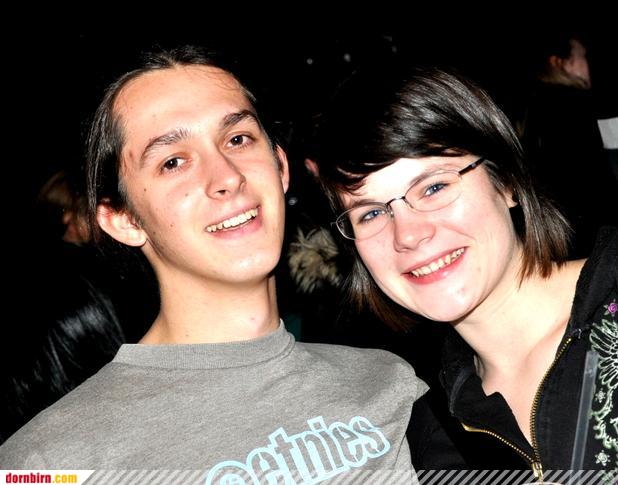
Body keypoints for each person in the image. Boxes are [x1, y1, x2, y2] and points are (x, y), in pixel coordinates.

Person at [0, 46, 426, 480]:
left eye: (237, 139)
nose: (227, 177)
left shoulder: (390, 384)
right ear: (123, 219)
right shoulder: (49, 462)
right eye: (173, 162)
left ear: (280, 166)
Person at [315, 65, 617, 480]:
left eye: (433, 187)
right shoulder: (426, 433)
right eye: (371, 213)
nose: (408, 234)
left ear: (506, 181)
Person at [519, 31, 618, 257]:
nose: (588, 64)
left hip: (556, 238)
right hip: (593, 238)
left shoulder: (532, 110)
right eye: (582, 56)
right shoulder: (575, 104)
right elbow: (597, 181)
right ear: (559, 63)